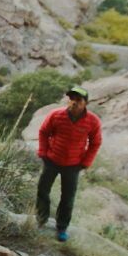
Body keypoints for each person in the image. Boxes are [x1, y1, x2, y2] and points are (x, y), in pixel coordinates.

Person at [35, 86, 102, 242]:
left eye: (78, 100)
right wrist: (43, 153)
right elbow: (43, 132)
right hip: (52, 160)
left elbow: (95, 143)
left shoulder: (92, 121)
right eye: (71, 99)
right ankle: (41, 219)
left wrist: (85, 162)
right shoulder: (56, 115)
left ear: (86, 103)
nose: (74, 103)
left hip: (73, 165)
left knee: (68, 198)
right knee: (43, 190)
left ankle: (62, 227)